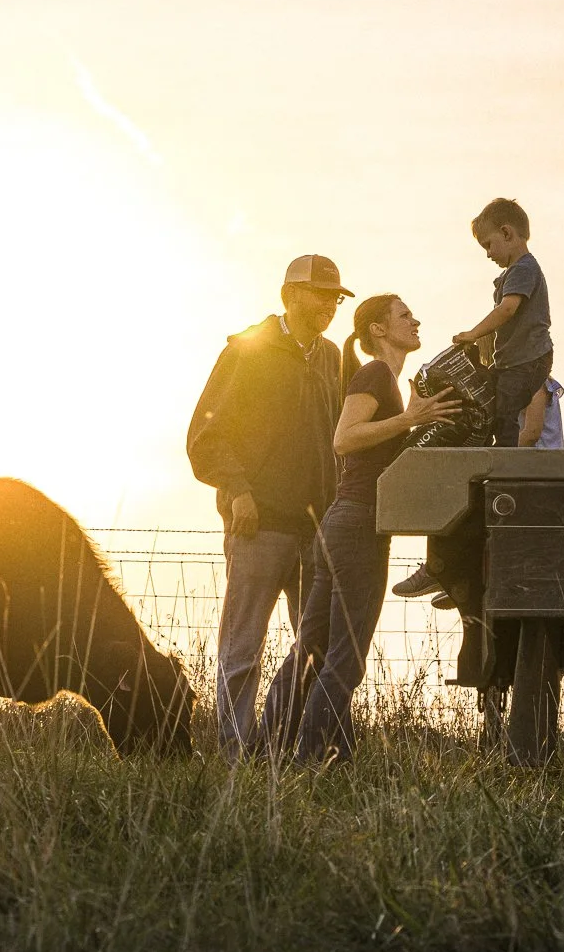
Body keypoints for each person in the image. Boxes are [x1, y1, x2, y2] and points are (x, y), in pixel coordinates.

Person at [258, 294, 457, 762]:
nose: (415, 319)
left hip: (343, 523)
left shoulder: (389, 380)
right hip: (358, 526)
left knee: (312, 648)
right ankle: (314, 761)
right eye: (404, 315)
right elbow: (345, 439)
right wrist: (410, 419)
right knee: (345, 658)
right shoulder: (375, 374)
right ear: (378, 330)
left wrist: (411, 420)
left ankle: (268, 753)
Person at [187, 255, 352, 757]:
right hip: (258, 525)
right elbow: (205, 436)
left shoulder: (333, 361)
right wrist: (238, 491)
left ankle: (295, 749)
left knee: (316, 649)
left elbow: (344, 440)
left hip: (317, 531)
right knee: (242, 650)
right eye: (320, 294)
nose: (329, 304)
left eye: (335, 297)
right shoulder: (247, 350)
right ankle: (236, 754)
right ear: (290, 295)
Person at [455, 199, 553, 449]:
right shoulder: (513, 273)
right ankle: (495, 449)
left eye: (488, 245)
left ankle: (504, 460)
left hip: (527, 359)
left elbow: (507, 310)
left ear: (507, 233)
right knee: (490, 399)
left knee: (505, 413)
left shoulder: (523, 269)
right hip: (512, 361)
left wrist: (473, 334)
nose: (488, 254)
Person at [519, 373, 564, 449]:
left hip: (541, 457)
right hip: (546, 456)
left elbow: (532, 434)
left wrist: (502, 452)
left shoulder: (535, 384)